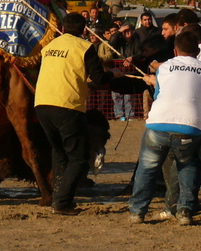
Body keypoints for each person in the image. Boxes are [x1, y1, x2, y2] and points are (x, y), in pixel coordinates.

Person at [34, 13, 142, 215]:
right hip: (67, 106)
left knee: (58, 153)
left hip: (42, 104)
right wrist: (114, 74)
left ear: (63, 29)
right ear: (85, 30)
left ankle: (57, 195)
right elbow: (99, 78)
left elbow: (63, 74)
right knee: (78, 157)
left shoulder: (49, 47)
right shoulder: (84, 47)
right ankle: (62, 202)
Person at [128, 30, 201, 225]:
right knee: (187, 165)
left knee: (147, 167)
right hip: (189, 125)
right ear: (197, 51)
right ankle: (184, 209)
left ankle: (137, 210)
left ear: (175, 51)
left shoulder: (165, 67)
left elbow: (159, 94)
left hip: (158, 122)